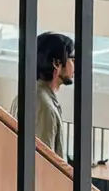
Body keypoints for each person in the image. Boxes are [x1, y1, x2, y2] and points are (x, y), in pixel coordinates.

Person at [14, 31, 74, 159]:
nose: (75, 66)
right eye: (72, 59)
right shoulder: (43, 105)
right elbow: (43, 162)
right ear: (56, 63)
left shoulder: (33, 94)